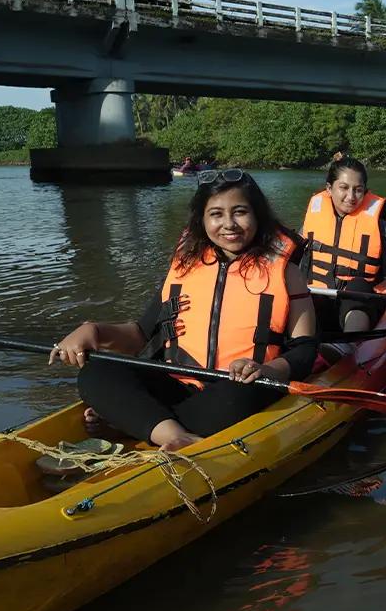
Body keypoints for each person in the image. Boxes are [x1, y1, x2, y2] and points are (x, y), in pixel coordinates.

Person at [50, 170, 317, 450]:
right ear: (202, 220)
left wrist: (264, 370)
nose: (229, 224)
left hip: (238, 390)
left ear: (257, 216)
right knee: (97, 372)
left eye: (240, 212)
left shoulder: (286, 272)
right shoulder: (185, 267)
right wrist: (92, 330)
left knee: (237, 395)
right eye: (216, 214)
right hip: (178, 389)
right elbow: (139, 334)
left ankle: (138, 422)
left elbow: (305, 351)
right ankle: (171, 435)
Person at [298, 157, 386, 333]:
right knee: (300, 292)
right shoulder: (312, 221)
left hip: (362, 304)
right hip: (319, 300)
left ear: (365, 191)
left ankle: (349, 346)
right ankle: (298, 344)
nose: (351, 197)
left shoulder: (381, 227)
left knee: (358, 286)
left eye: (358, 190)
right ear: (329, 188)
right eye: (343, 188)